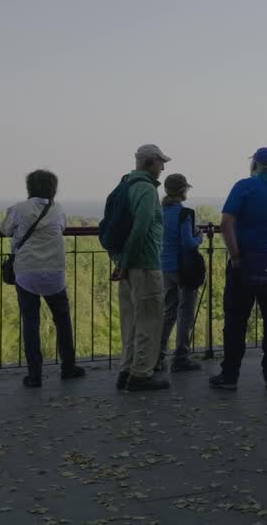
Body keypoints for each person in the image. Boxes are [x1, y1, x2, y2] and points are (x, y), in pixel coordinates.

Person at [212, 148, 267, 390]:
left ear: (255, 165)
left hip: (245, 265)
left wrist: (235, 256)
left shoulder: (244, 187)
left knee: (236, 320)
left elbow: (225, 223)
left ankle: (230, 375)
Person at [1, 169, 85, 388]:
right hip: (54, 271)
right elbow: (62, 228)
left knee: (31, 321)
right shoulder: (58, 209)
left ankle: (34, 374)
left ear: (29, 187)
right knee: (62, 320)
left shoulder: (19, 209)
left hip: (26, 271)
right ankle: (68, 367)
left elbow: (5, 229)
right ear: (53, 188)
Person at [110, 144, 171, 392]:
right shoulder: (146, 189)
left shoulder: (125, 186)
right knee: (149, 320)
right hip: (144, 264)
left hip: (127, 265)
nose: (163, 167)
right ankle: (141, 374)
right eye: (161, 162)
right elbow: (142, 227)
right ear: (151, 162)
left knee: (130, 321)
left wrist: (120, 261)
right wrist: (126, 262)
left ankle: (126, 370)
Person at [158, 173, 205, 372]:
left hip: (165, 266)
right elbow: (187, 243)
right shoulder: (184, 214)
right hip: (183, 269)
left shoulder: (159, 212)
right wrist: (200, 237)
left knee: (169, 311)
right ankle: (180, 357)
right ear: (182, 191)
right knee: (185, 313)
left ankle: (158, 356)